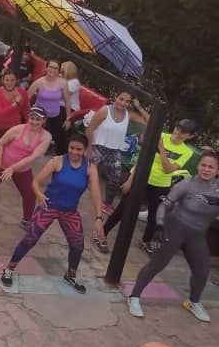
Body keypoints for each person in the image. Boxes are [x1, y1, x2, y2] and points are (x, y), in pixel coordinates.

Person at [0, 134, 103, 293]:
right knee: (30, 238)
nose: (74, 152)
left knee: (78, 245)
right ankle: (9, 269)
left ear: (85, 150)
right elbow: (35, 181)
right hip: (49, 206)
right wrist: (39, 194)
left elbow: (96, 193)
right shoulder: (57, 161)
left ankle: (70, 275)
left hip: (70, 211)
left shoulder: (90, 167)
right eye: (71, 148)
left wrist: (99, 217)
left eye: (79, 149)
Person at [128, 150, 219, 323]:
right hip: (174, 229)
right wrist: (159, 226)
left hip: (197, 235)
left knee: (202, 271)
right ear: (198, 166)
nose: (206, 169)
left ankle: (193, 302)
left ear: (217, 170)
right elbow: (164, 205)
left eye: (211, 167)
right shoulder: (187, 184)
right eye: (203, 165)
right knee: (156, 265)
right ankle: (134, 297)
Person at [102, 118, 197, 254]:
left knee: (155, 216)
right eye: (177, 128)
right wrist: (130, 180)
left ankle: (145, 241)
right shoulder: (160, 136)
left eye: (183, 132)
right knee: (122, 209)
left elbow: (168, 169)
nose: (178, 133)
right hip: (142, 178)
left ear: (190, 136)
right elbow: (141, 157)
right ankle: (102, 233)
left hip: (161, 185)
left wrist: (162, 149)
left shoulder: (187, 152)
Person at [0, 107, 51, 228]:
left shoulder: (46, 136)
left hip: (21, 168)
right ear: (28, 118)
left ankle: (26, 220)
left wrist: (12, 168)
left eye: (38, 119)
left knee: (30, 194)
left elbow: (33, 156)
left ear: (44, 121)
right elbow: (0, 144)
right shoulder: (17, 129)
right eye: (32, 118)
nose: (34, 122)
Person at [86, 90, 140, 251]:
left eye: (127, 101)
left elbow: (150, 120)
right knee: (85, 174)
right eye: (121, 99)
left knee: (116, 177)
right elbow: (90, 129)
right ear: (116, 98)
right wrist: (89, 148)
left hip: (114, 151)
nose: (123, 103)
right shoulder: (105, 110)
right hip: (98, 147)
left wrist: (139, 107)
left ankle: (107, 204)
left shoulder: (129, 115)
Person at [0, 71, 29, 162]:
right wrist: (15, 103)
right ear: (2, 80)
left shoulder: (22, 92)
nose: (10, 83)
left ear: (16, 80)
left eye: (12, 80)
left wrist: (29, 125)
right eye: (7, 80)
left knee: (9, 155)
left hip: (13, 129)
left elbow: (26, 110)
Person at [28, 59, 71, 154]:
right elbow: (27, 98)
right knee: (35, 138)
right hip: (39, 116)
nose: (53, 70)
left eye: (56, 68)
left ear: (59, 71)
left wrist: (68, 119)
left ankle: (60, 158)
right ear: (46, 68)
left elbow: (67, 102)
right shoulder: (39, 82)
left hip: (55, 115)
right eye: (51, 67)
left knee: (60, 140)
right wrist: (28, 114)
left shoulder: (63, 83)